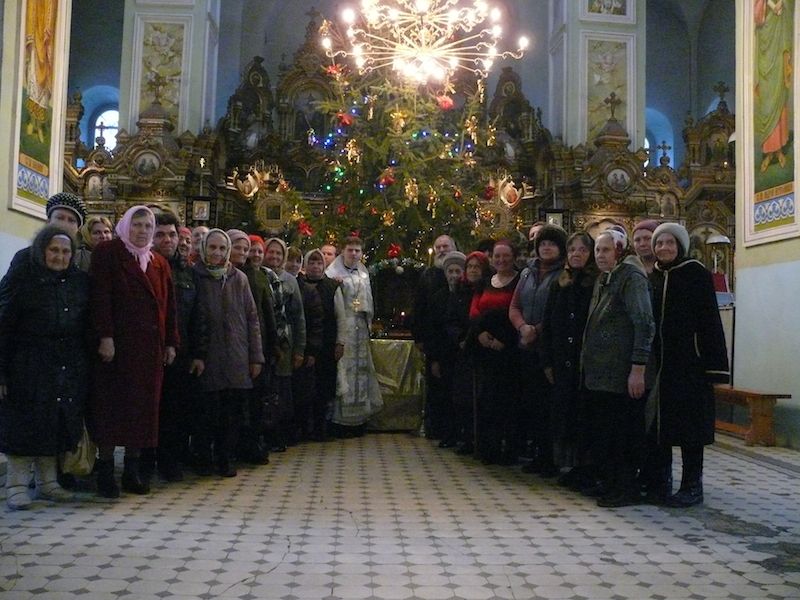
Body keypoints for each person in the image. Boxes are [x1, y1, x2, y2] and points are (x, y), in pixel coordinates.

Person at [89, 205, 179, 498]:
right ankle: (105, 471)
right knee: (111, 410)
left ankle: (131, 470)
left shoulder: (158, 263)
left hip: (148, 351)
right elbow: (100, 297)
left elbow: (169, 306)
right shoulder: (108, 253)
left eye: (147, 227)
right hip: (117, 349)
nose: (142, 231)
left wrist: (170, 342)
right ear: (126, 225)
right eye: (137, 225)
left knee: (142, 412)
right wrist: (105, 336)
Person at [0, 226, 89, 509]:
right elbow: (3, 323)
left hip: (63, 363)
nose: (59, 256)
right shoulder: (23, 278)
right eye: (54, 250)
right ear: (41, 251)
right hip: (25, 363)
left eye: (65, 251)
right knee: (24, 423)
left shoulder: (78, 281)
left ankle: (48, 483)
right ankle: (15, 485)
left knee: (54, 422)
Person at [646, 223, 729, 507]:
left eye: (669, 243)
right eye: (659, 244)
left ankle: (692, 486)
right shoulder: (653, 276)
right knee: (661, 428)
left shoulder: (696, 274)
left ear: (680, 246)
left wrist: (716, 367)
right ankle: (662, 481)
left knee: (690, 428)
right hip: (659, 365)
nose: (663, 248)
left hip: (689, 365)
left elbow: (710, 322)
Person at [581, 228, 654, 507]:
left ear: (620, 251)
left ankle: (626, 486)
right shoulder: (604, 279)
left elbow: (644, 323)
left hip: (622, 372)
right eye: (598, 250)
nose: (600, 255)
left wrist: (638, 368)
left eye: (606, 250)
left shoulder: (631, 278)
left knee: (622, 432)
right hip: (600, 373)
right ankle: (610, 482)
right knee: (605, 431)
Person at [192, 229, 264, 477]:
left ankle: (225, 457)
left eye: (222, 248)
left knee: (231, 415)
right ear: (204, 249)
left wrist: (256, 356)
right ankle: (204, 457)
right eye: (212, 248)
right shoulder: (196, 276)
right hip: (208, 356)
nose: (217, 253)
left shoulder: (239, 278)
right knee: (207, 413)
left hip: (236, 356)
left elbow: (252, 319)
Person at [540, 232, 598, 490]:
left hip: (584, 362)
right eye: (572, 249)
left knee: (585, 415)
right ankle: (572, 465)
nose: (576, 254)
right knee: (566, 414)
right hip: (562, 360)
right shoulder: (560, 283)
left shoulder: (595, 281)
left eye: (582, 249)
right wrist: (547, 361)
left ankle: (586, 467)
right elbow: (549, 322)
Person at [146, 212, 202, 481]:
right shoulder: (143, 265)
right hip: (148, 353)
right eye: (160, 234)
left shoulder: (187, 272)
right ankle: (144, 462)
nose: (167, 239)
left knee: (175, 411)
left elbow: (198, 316)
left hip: (181, 353)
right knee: (149, 410)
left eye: (171, 234)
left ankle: (171, 461)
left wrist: (198, 354)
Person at [509, 224, 567, 475]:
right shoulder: (526, 274)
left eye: (551, 244)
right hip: (525, 346)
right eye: (543, 243)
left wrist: (537, 330)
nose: (546, 247)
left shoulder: (564, 274)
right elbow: (514, 306)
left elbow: (559, 311)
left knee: (548, 404)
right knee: (531, 402)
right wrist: (522, 327)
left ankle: (550, 457)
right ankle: (537, 453)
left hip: (548, 348)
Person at [468, 240, 520, 464]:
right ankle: (487, 447)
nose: (500, 260)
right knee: (486, 400)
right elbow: (475, 312)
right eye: (496, 256)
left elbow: (519, 310)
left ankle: (508, 449)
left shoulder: (520, 280)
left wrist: (504, 340)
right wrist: (481, 334)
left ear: (513, 257)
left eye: (505, 256)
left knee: (507, 402)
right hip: (485, 349)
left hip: (509, 351)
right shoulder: (484, 282)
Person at [228, 229, 277, 463]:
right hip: (230, 348)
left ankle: (252, 443)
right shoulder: (226, 273)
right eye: (237, 247)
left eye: (245, 248)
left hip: (256, 346)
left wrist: (268, 347)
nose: (243, 252)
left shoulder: (257, 276)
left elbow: (265, 316)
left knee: (255, 402)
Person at [326, 236, 383, 435]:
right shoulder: (332, 272)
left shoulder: (363, 271)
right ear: (343, 250)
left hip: (360, 326)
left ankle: (359, 420)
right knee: (345, 370)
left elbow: (367, 299)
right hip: (344, 325)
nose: (354, 254)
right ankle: (340, 421)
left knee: (361, 371)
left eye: (357, 251)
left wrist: (367, 322)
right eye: (350, 250)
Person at [0, 193, 89, 317]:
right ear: (48, 222)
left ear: (78, 228)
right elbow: (6, 306)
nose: (64, 224)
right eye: (60, 218)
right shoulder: (25, 258)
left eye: (71, 220)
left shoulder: (83, 260)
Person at [425, 251, 470, 448]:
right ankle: (447, 432)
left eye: (457, 271)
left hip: (463, 352)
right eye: (450, 271)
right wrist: (434, 358)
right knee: (445, 395)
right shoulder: (438, 297)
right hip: (444, 354)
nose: (453, 275)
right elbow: (432, 329)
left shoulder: (468, 295)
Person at [414, 234, 456, 440]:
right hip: (433, 338)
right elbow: (419, 308)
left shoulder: (462, 274)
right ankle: (435, 427)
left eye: (445, 246)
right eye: (438, 247)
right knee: (435, 384)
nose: (441, 250)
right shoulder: (427, 275)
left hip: (456, 341)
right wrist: (419, 338)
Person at [265, 237, 307, 447]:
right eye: (270, 252)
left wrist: (299, 349)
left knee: (282, 391)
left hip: (285, 344)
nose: (274, 256)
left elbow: (298, 317)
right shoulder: (259, 275)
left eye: (278, 253)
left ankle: (280, 433)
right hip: (264, 342)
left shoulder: (289, 280)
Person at [299, 249, 340, 441]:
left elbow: (341, 316)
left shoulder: (332, 286)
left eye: (319, 263)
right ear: (305, 265)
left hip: (327, 344)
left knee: (324, 388)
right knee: (306, 388)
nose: (315, 267)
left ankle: (322, 427)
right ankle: (304, 427)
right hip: (305, 344)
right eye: (312, 263)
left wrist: (340, 341)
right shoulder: (298, 284)